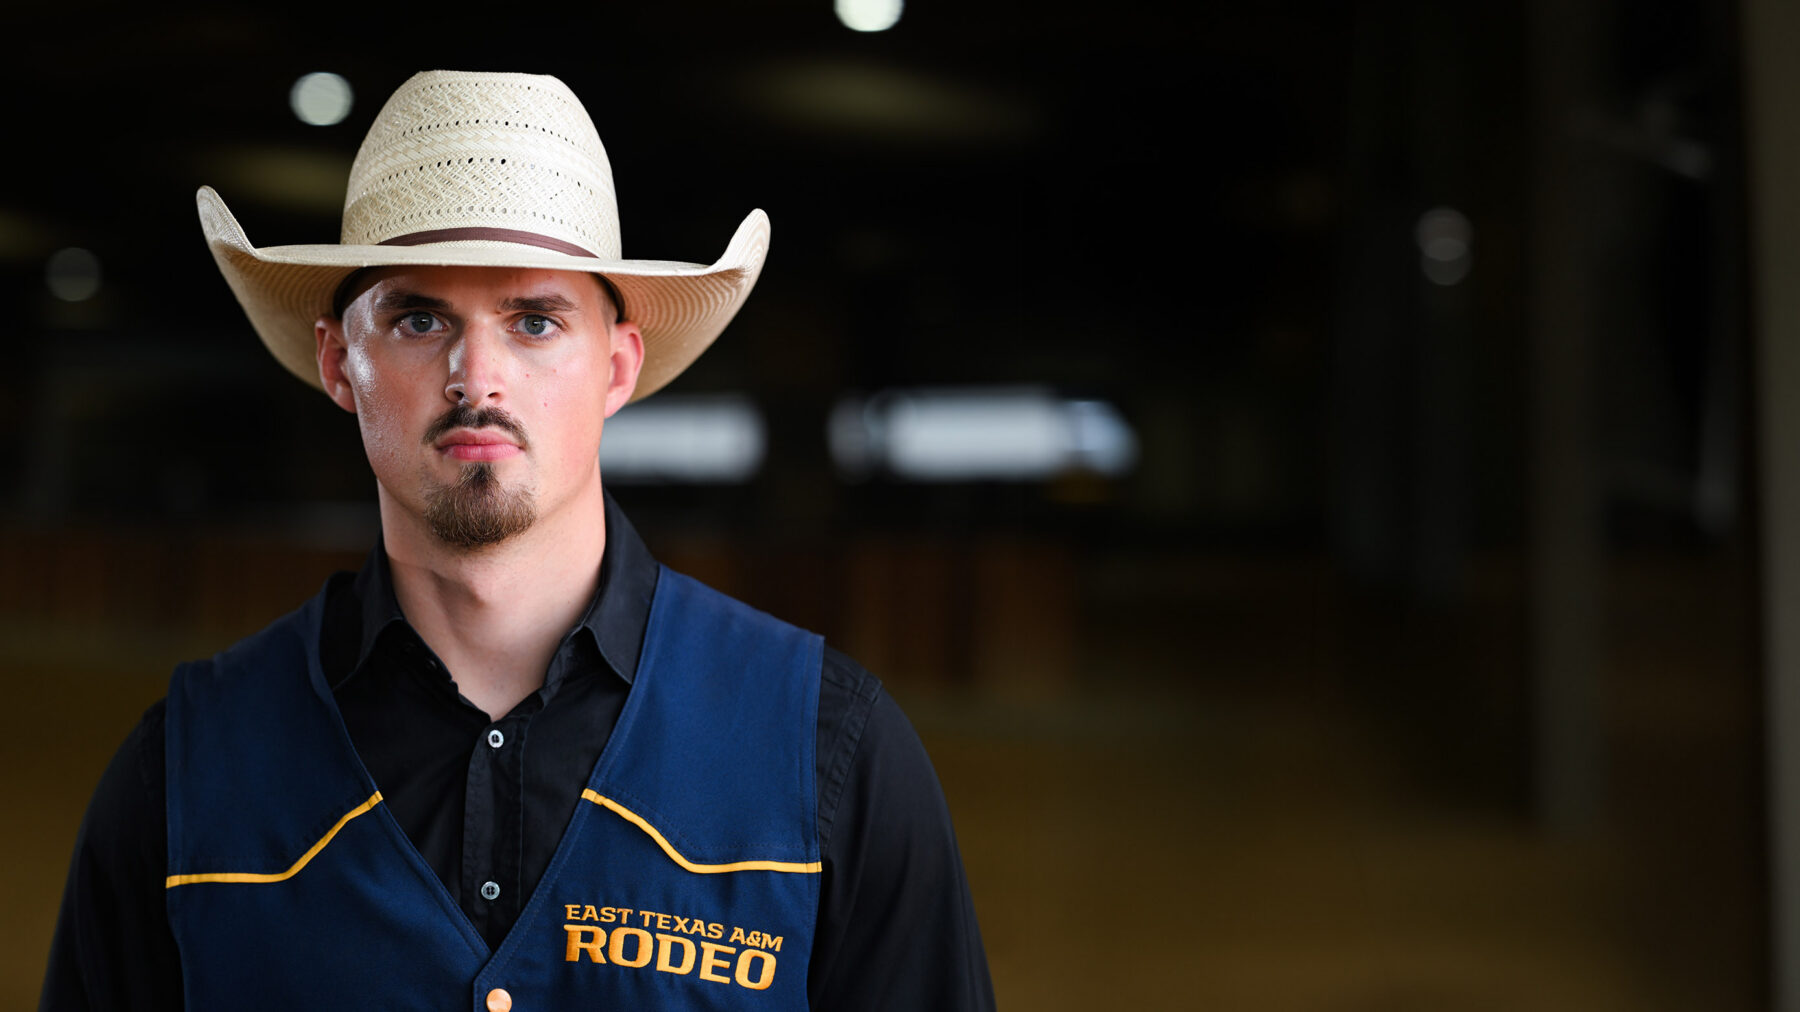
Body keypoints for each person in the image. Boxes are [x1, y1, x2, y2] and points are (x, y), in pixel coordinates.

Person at [41, 70, 994, 1011]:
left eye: (535, 321)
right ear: (339, 361)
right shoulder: (183, 771)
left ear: (616, 367)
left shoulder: (832, 751)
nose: (477, 377)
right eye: (420, 319)